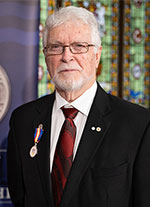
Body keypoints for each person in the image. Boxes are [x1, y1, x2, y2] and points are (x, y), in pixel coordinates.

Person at [7, 6, 150, 207]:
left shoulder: (138, 124)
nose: (67, 56)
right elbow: (20, 197)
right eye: (56, 46)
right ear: (46, 56)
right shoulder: (23, 120)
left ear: (97, 55)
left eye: (79, 46)